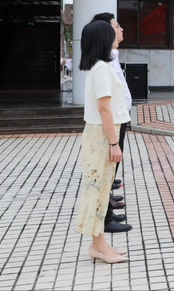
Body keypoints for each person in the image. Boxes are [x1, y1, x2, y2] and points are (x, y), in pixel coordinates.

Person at [75, 20, 130, 264]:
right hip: (102, 135)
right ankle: (97, 245)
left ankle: (100, 244)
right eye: (111, 33)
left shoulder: (101, 66)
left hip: (103, 134)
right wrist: (113, 143)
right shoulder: (100, 69)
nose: (115, 35)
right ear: (102, 40)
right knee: (96, 190)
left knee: (103, 189)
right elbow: (104, 109)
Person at [91, 13, 133, 233]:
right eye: (116, 26)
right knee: (107, 169)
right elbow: (104, 106)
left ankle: (107, 210)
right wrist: (113, 142)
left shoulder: (111, 57)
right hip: (111, 123)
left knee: (111, 170)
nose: (121, 30)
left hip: (118, 119)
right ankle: (105, 219)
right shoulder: (102, 64)